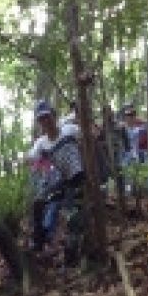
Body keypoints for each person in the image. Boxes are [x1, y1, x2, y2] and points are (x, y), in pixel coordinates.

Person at [31, 99, 85, 266]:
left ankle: (72, 253)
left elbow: (89, 137)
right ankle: (39, 243)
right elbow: (32, 159)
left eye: (47, 117)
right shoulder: (41, 143)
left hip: (79, 176)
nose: (45, 122)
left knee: (73, 214)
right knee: (39, 203)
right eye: (41, 119)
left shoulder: (69, 130)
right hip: (62, 180)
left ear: (54, 116)